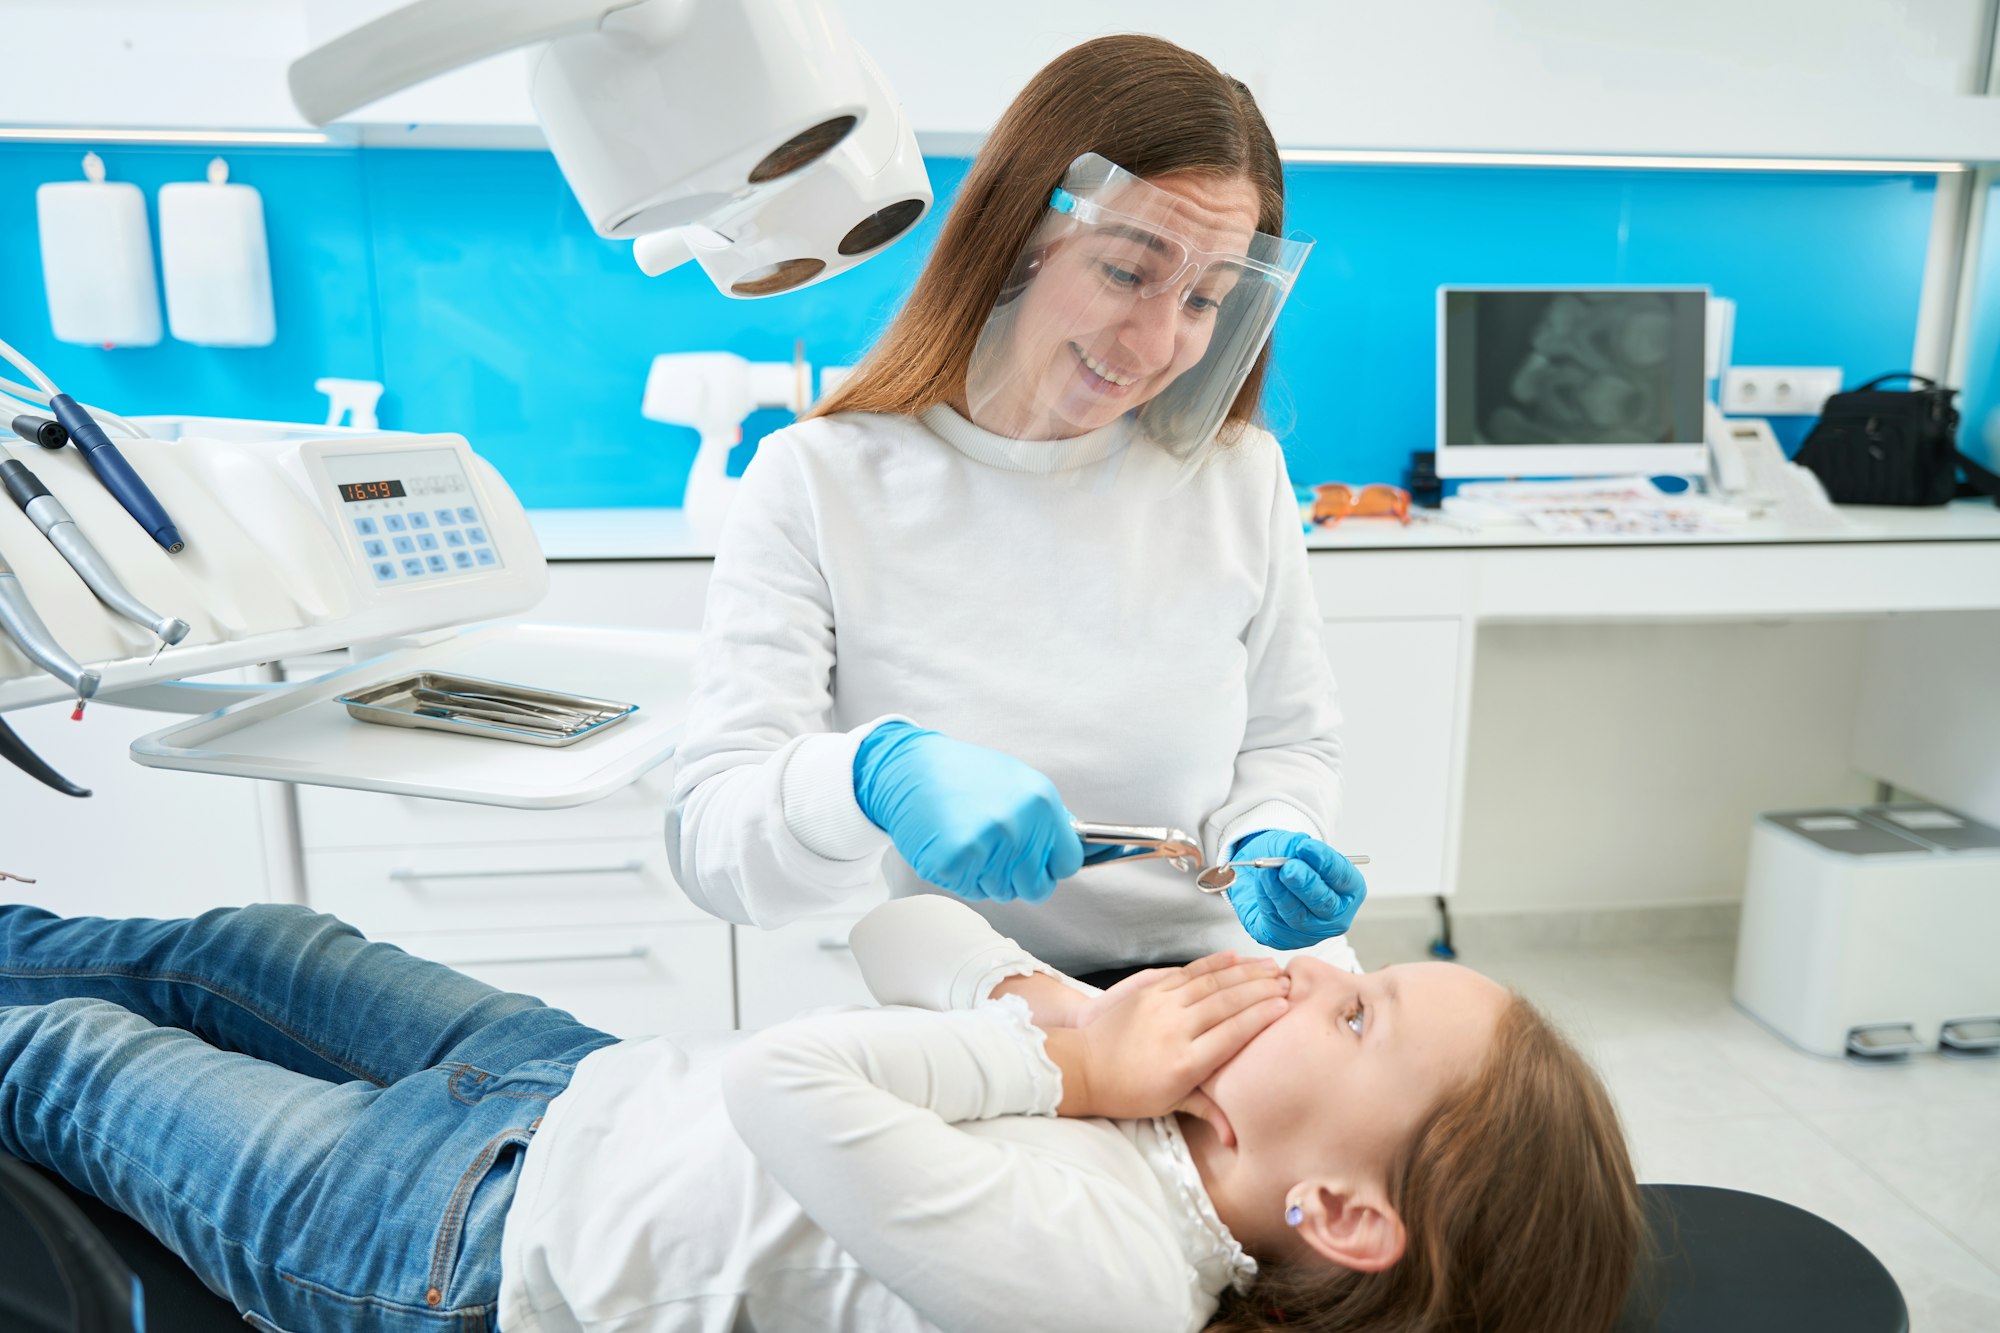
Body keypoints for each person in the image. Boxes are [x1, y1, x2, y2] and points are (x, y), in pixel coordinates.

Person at [0, 897, 1641, 1333]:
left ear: (1345, 1211)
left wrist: (1065, 1062)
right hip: (567, 1077)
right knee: (229, 950)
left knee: (69, 1058)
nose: (1303, 973)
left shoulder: (1112, 1277)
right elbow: (907, 934)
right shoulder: (1156, 1111)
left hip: (464, 1236)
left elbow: (782, 1080)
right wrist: (1061, 1009)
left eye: (1354, 1013)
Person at [669, 34, 1366, 984]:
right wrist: (870, 778)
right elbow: (715, 848)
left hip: (1218, 975)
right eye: (1125, 271)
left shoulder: (1237, 475)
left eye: (1205, 299)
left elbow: (1289, 741)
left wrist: (1277, 832)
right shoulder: (816, 482)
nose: (1158, 340)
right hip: (978, 996)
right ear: (1015, 239)